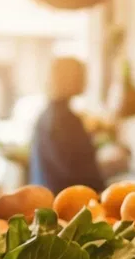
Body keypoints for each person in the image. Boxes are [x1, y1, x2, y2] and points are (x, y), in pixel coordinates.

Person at [27, 56, 105, 193]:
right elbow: (75, 170)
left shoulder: (50, 114)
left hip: (51, 198)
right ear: (69, 79)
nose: (86, 81)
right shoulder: (64, 119)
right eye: (81, 75)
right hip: (66, 203)